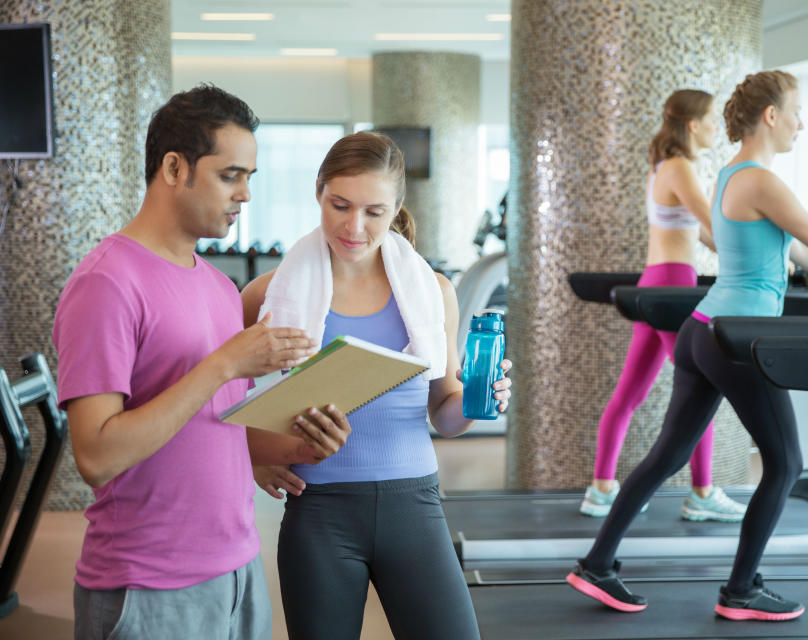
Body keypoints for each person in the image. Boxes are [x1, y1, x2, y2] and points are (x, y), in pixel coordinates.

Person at [566, 70, 808, 621]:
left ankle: (596, 565)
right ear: (771, 115)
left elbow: (803, 256)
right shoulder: (762, 182)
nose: (801, 123)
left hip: (705, 329)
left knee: (666, 455)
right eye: (795, 111)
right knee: (786, 463)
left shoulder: (731, 175)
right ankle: (741, 590)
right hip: (736, 339)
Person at [53, 85, 352, 640]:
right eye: (229, 175)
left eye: (250, 179)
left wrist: (298, 444)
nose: (244, 195)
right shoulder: (105, 283)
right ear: (173, 167)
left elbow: (214, 430)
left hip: (237, 571)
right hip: (147, 586)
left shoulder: (217, 286)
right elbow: (96, 456)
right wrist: (221, 365)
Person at [241, 131, 513, 640]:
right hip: (318, 511)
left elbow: (446, 415)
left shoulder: (432, 292)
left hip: (414, 506)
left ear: (396, 208)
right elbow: (222, 391)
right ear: (318, 190)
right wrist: (256, 454)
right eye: (339, 205)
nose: (353, 227)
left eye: (374, 211)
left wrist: (481, 400)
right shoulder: (268, 293)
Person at [580, 89, 747, 523]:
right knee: (700, 389)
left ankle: (601, 489)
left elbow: (702, 235)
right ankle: (703, 492)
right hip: (673, 283)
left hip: (655, 280)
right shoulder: (680, 167)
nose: (717, 128)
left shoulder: (660, 168)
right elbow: (716, 227)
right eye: (712, 119)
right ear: (693, 125)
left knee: (630, 394)